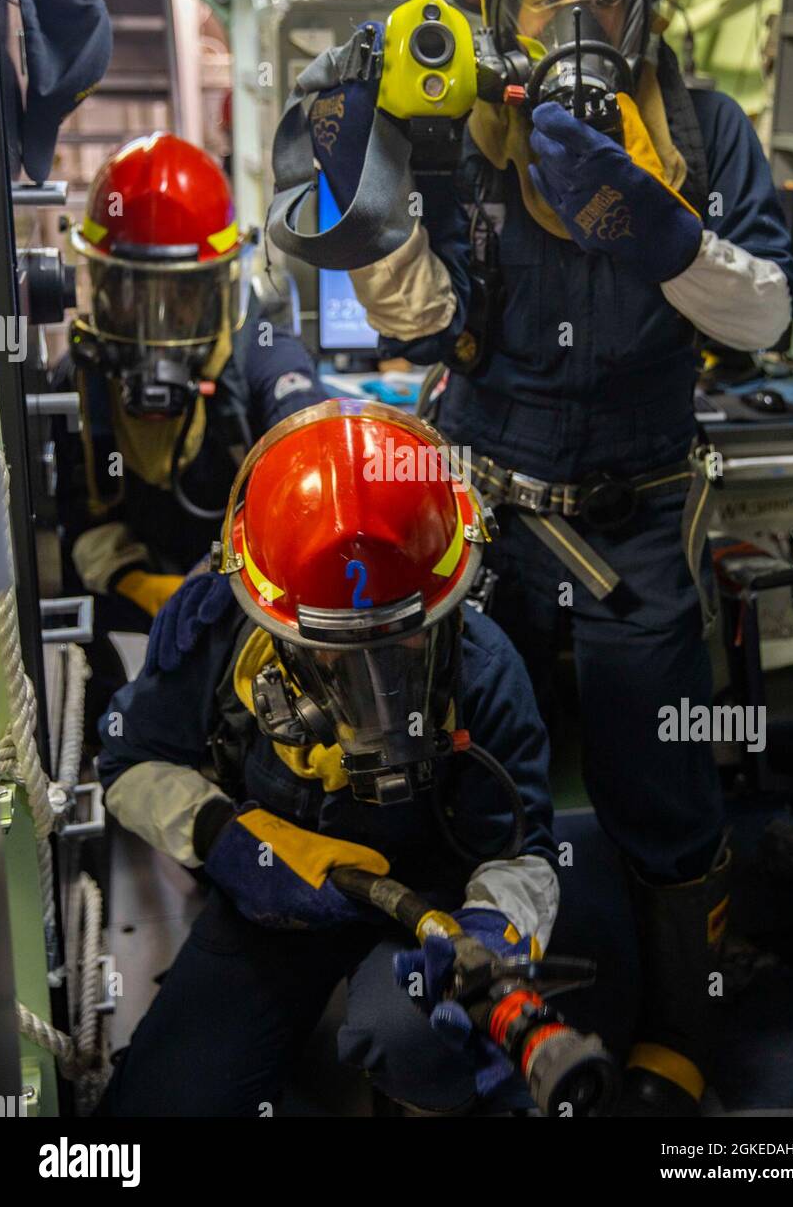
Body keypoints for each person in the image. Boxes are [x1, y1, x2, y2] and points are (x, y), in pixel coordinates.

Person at [298, 0, 793, 1115]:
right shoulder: (467, 140)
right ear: (495, 13)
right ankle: (444, 1016)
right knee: (457, 765)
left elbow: (764, 316)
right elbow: (418, 324)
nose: (572, 18)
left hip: (635, 519)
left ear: (646, 4)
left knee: (665, 785)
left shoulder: (701, 130)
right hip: (482, 507)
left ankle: (681, 1033)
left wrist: (652, 224)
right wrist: (361, 184)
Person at [94, 400, 560, 1117]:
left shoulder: (486, 670)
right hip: (269, 905)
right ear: (267, 615)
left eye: (400, 642)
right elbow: (128, 762)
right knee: (166, 1104)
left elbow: (525, 849)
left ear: (454, 598)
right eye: (334, 650)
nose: (372, 682)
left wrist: (493, 928)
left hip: (424, 903)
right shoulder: (220, 631)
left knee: (427, 1044)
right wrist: (221, 836)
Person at [52, 132, 326, 708]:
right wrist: (138, 586)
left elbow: (312, 465)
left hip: (249, 606)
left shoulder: (263, 357)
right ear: (99, 289)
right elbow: (79, 513)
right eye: (131, 293)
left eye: (178, 295)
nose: (156, 323)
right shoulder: (75, 384)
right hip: (124, 614)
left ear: (217, 288)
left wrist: (220, 582)